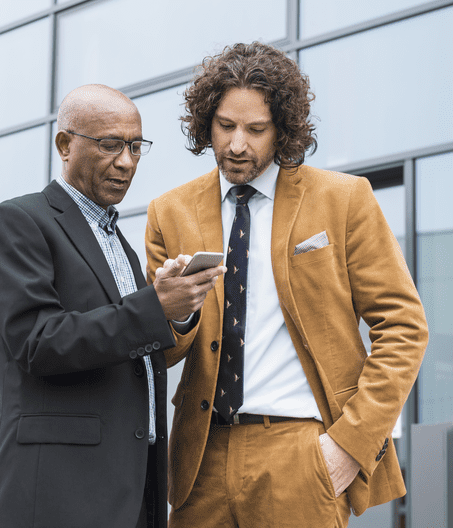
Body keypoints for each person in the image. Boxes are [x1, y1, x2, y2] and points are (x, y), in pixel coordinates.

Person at [145, 42, 428, 527]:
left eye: (256, 130)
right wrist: (175, 312)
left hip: (302, 453)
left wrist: (349, 446)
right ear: (204, 122)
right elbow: (160, 352)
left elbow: (404, 327)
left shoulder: (344, 200)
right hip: (200, 460)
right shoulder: (168, 212)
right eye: (225, 126)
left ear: (282, 130)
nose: (238, 145)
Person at [0, 84, 221, 528]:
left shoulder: (120, 245)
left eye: (135, 147)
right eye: (110, 145)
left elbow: (125, 349)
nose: (126, 162)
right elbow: (37, 343)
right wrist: (153, 307)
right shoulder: (18, 222)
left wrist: (175, 309)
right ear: (65, 145)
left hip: (130, 488)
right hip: (57, 493)